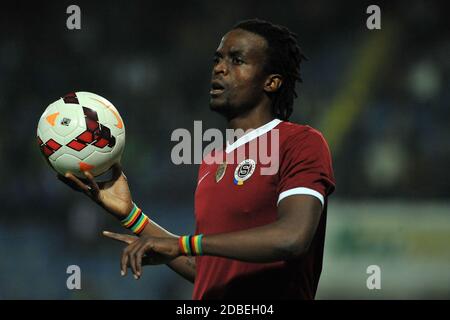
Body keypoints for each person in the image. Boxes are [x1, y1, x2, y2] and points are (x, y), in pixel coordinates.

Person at [59, 18, 335, 300]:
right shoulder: (212, 161)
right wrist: (131, 216)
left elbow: (292, 237)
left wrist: (185, 244)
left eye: (237, 60)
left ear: (272, 82)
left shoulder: (300, 142)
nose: (219, 68)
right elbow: (209, 267)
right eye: (218, 59)